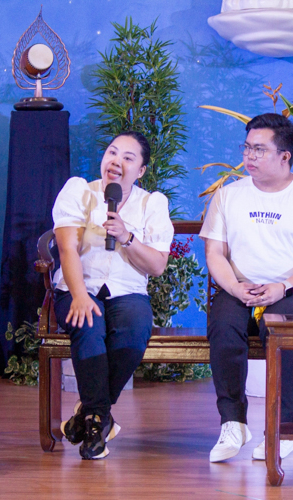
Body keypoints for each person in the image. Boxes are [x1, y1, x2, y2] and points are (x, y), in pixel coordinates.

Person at [200, 113, 293, 463]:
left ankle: (284, 427)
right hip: (240, 287)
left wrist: (284, 287)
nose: (249, 156)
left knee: (281, 328)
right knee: (223, 325)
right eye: (247, 148)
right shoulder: (228, 195)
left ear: (284, 156)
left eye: (259, 150)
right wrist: (233, 286)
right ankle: (233, 422)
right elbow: (214, 252)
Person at [53, 131, 173, 460]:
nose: (116, 162)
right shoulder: (79, 191)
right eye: (112, 153)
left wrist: (127, 236)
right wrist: (79, 295)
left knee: (134, 333)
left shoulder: (153, 204)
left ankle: (89, 416)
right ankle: (97, 425)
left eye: (128, 158)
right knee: (89, 324)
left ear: (142, 170)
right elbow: (67, 248)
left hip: (128, 291)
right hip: (79, 286)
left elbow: (158, 265)